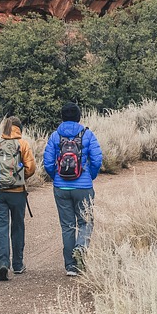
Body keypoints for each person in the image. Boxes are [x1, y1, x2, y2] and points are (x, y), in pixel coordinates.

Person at [42, 102, 102, 277]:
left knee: (67, 226)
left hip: (61, 186)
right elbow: (97, 159)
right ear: (79, 117)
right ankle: (81, 248)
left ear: (62, 117)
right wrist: (89, 176)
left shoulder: (55, 136)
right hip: (83, 186)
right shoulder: (87, 134)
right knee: (86, 222)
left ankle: (70, 266)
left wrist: (56, 177)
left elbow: (47, 162)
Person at [0, 116, 37, 281]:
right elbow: (31, 168)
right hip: (17, 192)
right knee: (18, 227)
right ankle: (18, 264)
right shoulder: (23, 144)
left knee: (1, 227)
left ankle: (3, 263)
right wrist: (19, 178)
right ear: (19, 128)